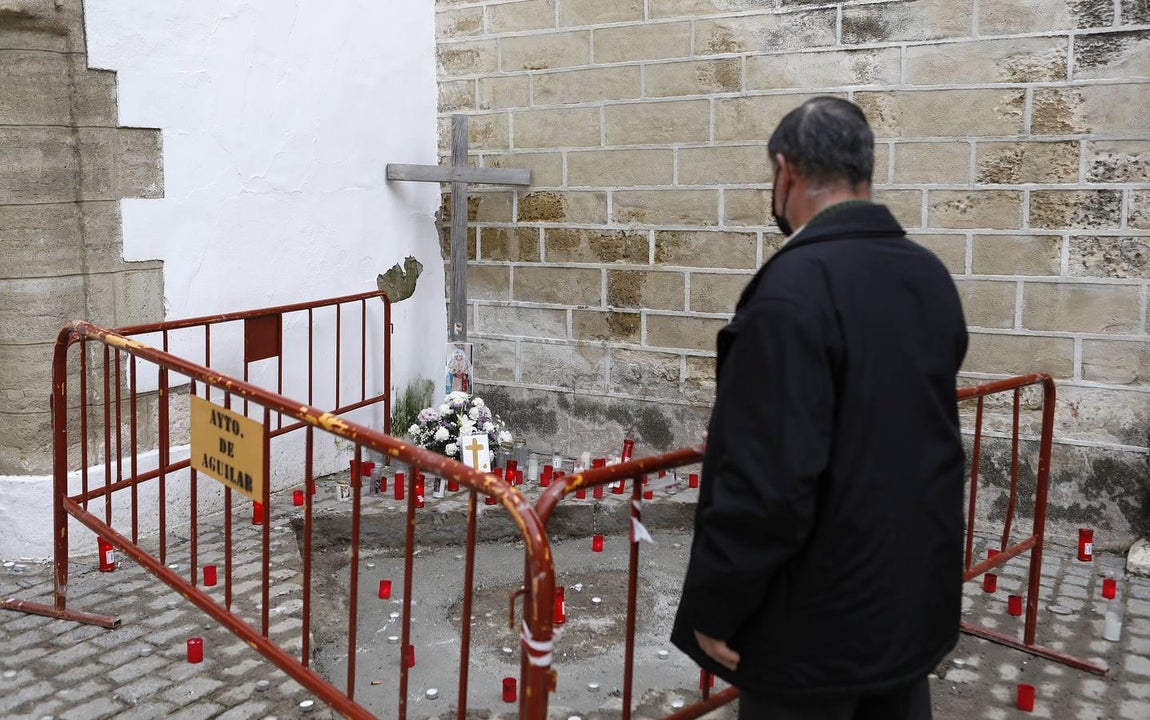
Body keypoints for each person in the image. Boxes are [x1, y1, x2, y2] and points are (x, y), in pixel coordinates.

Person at [671, 96, 968, 720]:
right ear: (865, 173)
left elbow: (769, 483)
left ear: (785, 172)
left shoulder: (790, 294)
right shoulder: (928, 276)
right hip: (908, 611)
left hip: (815, 635)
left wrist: (716, 605)